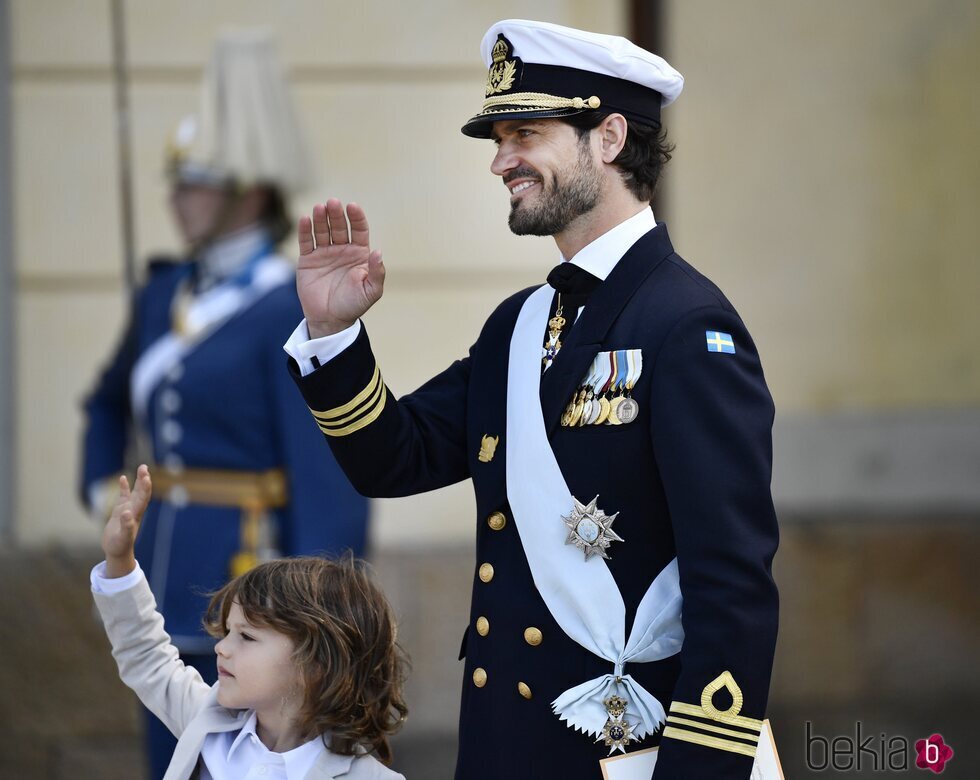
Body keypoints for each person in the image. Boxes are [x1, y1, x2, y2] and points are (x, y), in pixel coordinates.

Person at [283, 19, 779, 780]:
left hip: (621, 753)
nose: (500, 161)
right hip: (503, 745)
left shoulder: (688, 325)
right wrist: (333, 334)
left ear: (609, 138)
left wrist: (702, 770)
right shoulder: (518, 324)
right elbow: (396, 456)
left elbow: (732, 586)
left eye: (525, 133)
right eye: (497, 138)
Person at [79, 32, 368, 777]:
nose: (179, 199)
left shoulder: (284, 306)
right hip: (162, 558)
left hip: (250, 568)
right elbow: (109, 398)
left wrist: (321, 604)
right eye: (177, 183)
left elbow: (322, 465)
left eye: (198, 182)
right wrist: (95, 482)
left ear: (251, 190)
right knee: (168, 750)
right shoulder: (163, 294)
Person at [92, 466, 407, 780]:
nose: (222, 648)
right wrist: (120, 560)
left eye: (247, 637)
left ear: (317, 662)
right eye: (228, 631)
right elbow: (147, 657)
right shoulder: (206, 719)